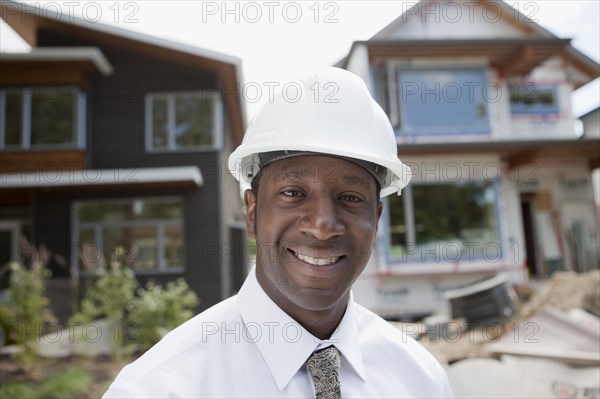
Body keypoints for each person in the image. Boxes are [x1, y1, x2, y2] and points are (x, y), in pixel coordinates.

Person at [103, 67, 454, 398]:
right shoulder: (162, 388)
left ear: (376, 219)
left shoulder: (419, 379)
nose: (322, 226)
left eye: (350, 198)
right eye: (293, 193)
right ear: (253, 212)